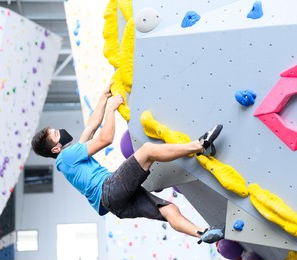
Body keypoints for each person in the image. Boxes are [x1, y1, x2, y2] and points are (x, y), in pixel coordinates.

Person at [31, 83, 225, 244]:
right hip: (109, 190)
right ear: (55, 149)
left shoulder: (68, 160)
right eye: (57, 134)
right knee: (147, 151)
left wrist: (102, 97)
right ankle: (199, 145)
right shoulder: (67, 157)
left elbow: (91, 127)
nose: (61, 132)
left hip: (115, 206)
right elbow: (105, 138)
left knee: (168, 210)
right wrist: (110, 109)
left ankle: (203, 233)